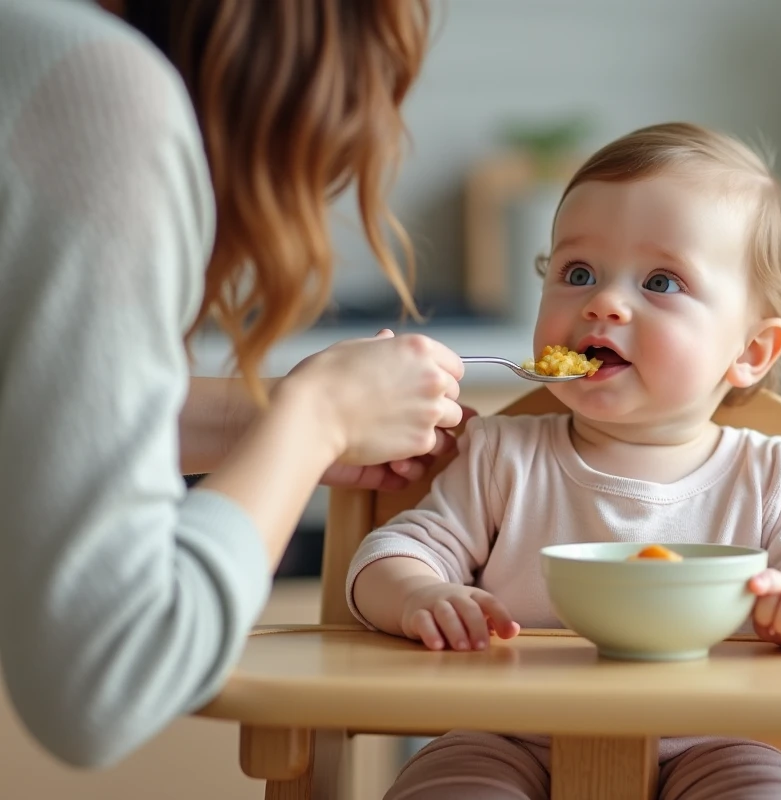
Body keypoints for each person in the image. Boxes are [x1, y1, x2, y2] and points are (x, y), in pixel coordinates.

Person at [347, 122, 781, 800]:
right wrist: (418, 595)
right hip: (504, 735)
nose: (603, 302)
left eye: (661, 281)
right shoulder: (502, 457)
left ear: (751, 351)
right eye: (576, 273)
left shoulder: (766, 476)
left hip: (717, 740)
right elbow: (391, 553)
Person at [0, 0, 463, 769]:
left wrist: (267, 422)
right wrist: (316, 418)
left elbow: (43, 404)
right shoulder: (102, 93)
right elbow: (105, 683)